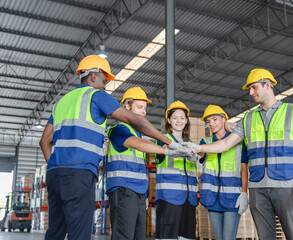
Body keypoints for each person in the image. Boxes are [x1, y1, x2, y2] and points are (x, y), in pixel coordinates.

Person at [39, 55, 190, 240]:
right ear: (93, 76)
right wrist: (170, 143)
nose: (105, 85)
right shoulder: (95, 95)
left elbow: (44, 141)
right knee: (79, 232)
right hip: (80, 172)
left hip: (54, 174)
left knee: (55, 230)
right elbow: (134, 120)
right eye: (104, 80)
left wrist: (54, 165)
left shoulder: (61, 102)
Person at [182, 69, 293, 240]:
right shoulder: (248, 118)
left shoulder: (292, 111)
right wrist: (198, 148)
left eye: (254, 88)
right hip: (258, 188)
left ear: (268, 85)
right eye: (250, 89)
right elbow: (226, 143)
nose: (251, 93)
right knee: (265, 237)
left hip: (286, 185)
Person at [106, 87, 191, 240]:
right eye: (139, 107)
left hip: (138, 192)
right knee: (123, 236)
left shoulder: (138, 133)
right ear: (127, 107)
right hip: (124, 189)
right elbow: (137, 144)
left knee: (139, 236)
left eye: (145, 108)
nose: (143, 112)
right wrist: (167, 150)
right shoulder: (118, 130)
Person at [199, 105, 248, 240]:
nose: (211, 124)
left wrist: (244, 193)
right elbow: (197, 155)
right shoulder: (205, 142)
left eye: (214, 119)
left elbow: (244, 168)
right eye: (208, 121)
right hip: (212, 198)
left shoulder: (238, 142)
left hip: (232, 198)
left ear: (223, 119)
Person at [155, 101, 198, 240]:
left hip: (189, 200)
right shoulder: (162, 140)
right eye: (175, 117)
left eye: (182, 118)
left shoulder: (191, 144)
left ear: (186, 120)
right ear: (168, 120)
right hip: (169, 199)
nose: (178, 121)